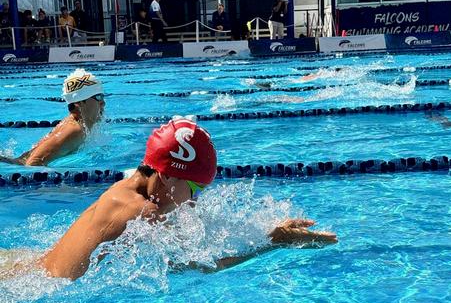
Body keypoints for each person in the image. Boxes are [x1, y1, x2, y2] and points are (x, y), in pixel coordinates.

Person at [7, 118, 337, 281]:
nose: (195, 202)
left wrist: (263, 231)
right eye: (195, 189)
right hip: (37, 290)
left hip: (26, 266)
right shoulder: (144, 213)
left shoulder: (127, 188)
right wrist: (274, 242)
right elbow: (203, 267)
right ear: (168, 176)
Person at [0, 69, 105, 166]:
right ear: (80, 103)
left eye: (103, 96)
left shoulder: (76, 123)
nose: (103, 103)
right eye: (98, 97)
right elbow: (33, 163)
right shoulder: (75, 131)